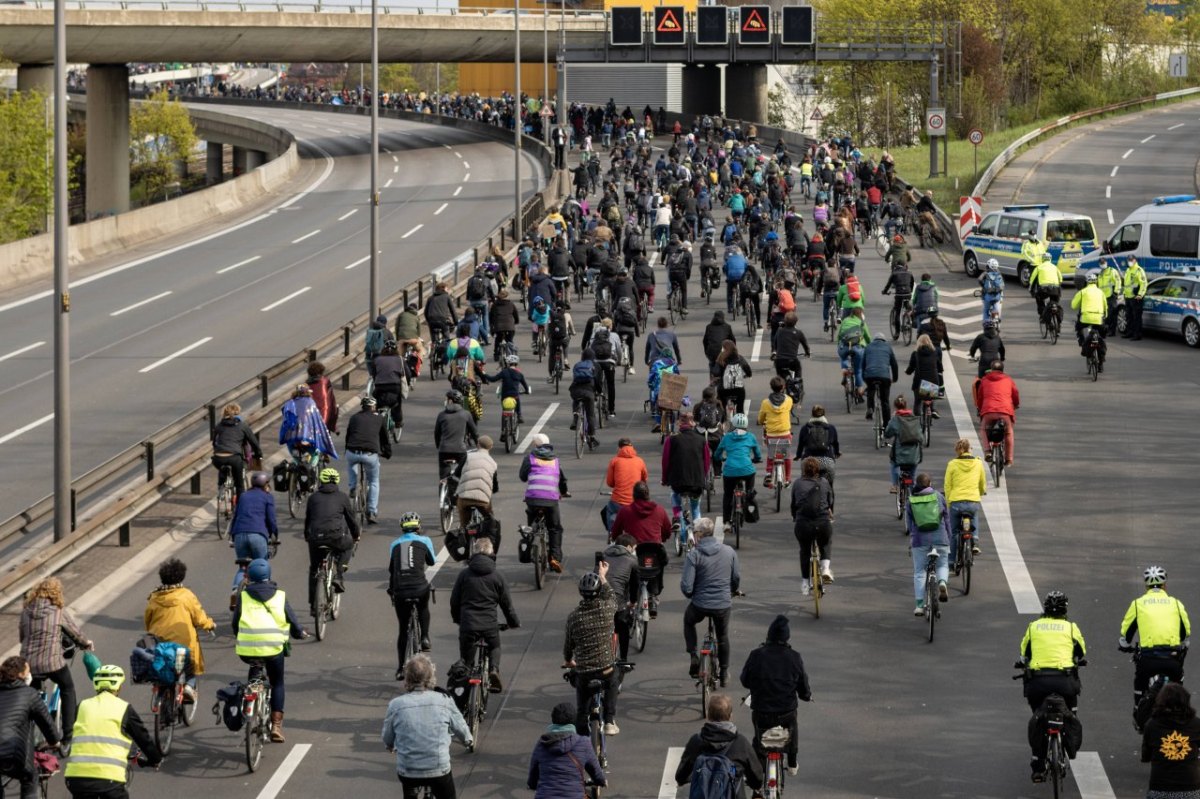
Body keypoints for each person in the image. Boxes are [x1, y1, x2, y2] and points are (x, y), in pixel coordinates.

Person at [63, 665, 161, 799]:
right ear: (119, 686)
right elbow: (143, 738)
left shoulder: (82, 706)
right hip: (109, 780)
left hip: (75, 779)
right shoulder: (124, 708)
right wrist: (155, 759)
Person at [382, 655, 472, 799]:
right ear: (430, 676)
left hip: (408, 771)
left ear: (407, 678)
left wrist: (390, 745)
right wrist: (468, 740)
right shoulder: (444, 700)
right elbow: (460, 726)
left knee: (409, 786)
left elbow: (387, 738)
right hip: (438, 770)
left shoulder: (396, 705)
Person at [1018, 591, 1086, 782]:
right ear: (1065, 610)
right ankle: (1069, 739)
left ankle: (1038, 762)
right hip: (1065, 682)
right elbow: (1081, 652)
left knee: (1038, 716)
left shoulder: (1033, 627)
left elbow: (1024, 655)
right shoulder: (1071, 627)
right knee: (1071, 712)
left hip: (1038, 682)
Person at [19, 578, 91, 751]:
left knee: (32, 696)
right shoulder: (59, 611)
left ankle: (31, 734)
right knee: (67, 688)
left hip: (29, 664)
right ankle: (67, 736)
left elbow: (22, 637)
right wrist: (85, 643)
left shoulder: (26, 611)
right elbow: (75, 633)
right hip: (53, 662)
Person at [739, 616, 811, 776]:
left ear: (768, 635)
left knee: (759, 741)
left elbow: (745, 680)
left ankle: (758, 774)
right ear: (787, 637)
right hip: (786, 713)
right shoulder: (794, 657)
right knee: (792, 731)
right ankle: (792, 763)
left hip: (762, 712)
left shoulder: (756, 655)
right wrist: (806, 696)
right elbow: (803, 685)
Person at [449, 538, 520, 694]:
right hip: (489, 625)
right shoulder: (497, 576)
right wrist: (513, 622)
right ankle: (494, 669)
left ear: (474, 552)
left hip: (468, 625)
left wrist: (458, 619)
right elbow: (506, 605)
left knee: (466, 662)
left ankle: (465, 695)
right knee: (495, 646)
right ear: (491, 553)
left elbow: (454, 601)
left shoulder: (464, 575)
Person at [143, 558, 216, 703]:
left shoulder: (154, 597)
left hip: (159, 642)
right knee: (188, 666)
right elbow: (199, 617)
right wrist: (210, 625)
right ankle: (188, 687)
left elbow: (148, 620)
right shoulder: (186, 595)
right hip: (182, 643)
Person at [1121, 566, 1191, 708]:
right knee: (1178, 684)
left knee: (1140, 682)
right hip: (1172, 658)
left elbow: (1127, 632)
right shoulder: (1176, 603)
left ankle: (1138, 709)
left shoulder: (1138, 604)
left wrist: (1125, 644)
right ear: (1165, 585)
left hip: (1148, 659)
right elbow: (1185, 631)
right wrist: (1183, 642)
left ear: (1146, 586)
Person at [681, 517, 740, 686]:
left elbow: (686, 586)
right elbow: (735, 578)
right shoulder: (729, 551)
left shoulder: (694, 555)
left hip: (700, 604)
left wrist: (692, 594)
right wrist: (732, 590)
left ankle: (693, 655)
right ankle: (724, 672)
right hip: (722, 604)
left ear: (699, 534)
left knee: (689, 620)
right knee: (722, 636)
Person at [563, 566, 622, 736]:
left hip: (584, 672)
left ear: (581, 593)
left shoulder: (574, 617)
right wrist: (603, 576)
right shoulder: (608, 608)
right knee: (613, 679)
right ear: (598, 592)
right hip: (606, 668)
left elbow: (568, 646)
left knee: (582, 709)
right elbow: (611, 594)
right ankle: (609, 720)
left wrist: (568, 660)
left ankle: (582, 730)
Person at [675, 693, 764, 799]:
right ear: (730, 716)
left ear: (708, 715)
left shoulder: (696, 741)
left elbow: (680, 776)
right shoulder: (740, 743)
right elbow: (757, 778)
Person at [0, 655, 62, 799]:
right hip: (12, 753)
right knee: (29, 776)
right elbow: (47, 725)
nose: (30, 675)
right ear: (21, 675)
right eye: (28, 672)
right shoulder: (29, 694)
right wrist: (55, 742)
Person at [303, 468, 360, 611]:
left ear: (321, 481)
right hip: (335, 537)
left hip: (315, 538)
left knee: (314, 569)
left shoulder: (313, 498)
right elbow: (351, 520)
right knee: (347, 545)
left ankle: (313, 605)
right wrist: (356, 536)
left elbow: (308, 520)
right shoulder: (342, 497)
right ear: (337, 481)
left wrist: (307, 536)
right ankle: (339, 576)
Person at [389, 513, 436, 679]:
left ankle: (401, 668)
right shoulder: (425, 541)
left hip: (401, 590)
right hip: (419, 588)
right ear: (419, 527)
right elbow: (432, 562)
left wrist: (391, 590)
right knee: (423, 607)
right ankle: (424, 637)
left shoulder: (395, 545)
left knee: (403, 628)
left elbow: (393, 570)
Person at [527, 702, 606, 799]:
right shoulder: (583, 743)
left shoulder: (542, 744)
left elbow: (532, 777)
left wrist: (532, 784)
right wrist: (601, 781)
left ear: (553, 721)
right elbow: (596, 772)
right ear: (574, 721)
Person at [227, 471, 279, 607]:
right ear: (266, 484)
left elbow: (236, 515)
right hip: (258, 534)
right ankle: (264, 598)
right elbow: (271, 519)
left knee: (243, 567)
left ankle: (235, 591)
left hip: (239, 534)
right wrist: (274, 534)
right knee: (262, 566)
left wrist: (233, 535)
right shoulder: (267, 497)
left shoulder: (243, 496)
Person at [1140, 683, 1200, 797]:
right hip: (1191, 787)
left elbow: (1146, 755)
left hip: (1160, 788)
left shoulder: (1152, 725)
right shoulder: (1196, 724)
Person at [521, 434, 569, 572]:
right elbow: (562, 480)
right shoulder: (555, 460)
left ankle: (531, 545)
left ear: (535, 446)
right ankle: (555, 557)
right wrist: (564, 492)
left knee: (531, 522)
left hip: (533, 498)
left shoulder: (529, 458)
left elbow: (522, 477)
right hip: (550, 499)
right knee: (555, 528)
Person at [661, 411, 711, 538]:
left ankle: (678, 519)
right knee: (695, 508)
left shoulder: (671, 439)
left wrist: (665, 479)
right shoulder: (701, 440)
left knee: (675, 497)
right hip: (696, 483)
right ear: (693, 423)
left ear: (679, 423)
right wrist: (703, 478)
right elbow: (706, 462)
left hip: (678, 482)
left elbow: (665, 461)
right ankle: (697, 534)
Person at [906, 472, 949, 615]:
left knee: (919, 572)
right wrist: (947, 537)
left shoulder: (911, 500)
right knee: (942, 564)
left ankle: (919, 605)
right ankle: (942, 582)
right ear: (930, 484)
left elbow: (910, 525)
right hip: (940, 538)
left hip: (920, 541)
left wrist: (911, 542)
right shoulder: (938, 496)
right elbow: (947, 519)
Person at [345, 396, 392, 524]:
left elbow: (348, 435)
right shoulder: (379, 418)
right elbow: (384, 438)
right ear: (374, 407)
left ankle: (353, 486)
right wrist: (387, 452)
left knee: (351, 464)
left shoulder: (354, 417)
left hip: (352, 451)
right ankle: (371, 511)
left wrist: (347, 450)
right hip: (370, 454)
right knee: (374, 481)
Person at [791, 457, 834, 596]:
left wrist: (794, 517)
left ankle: (805, 582)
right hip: (822, 523)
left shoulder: (797, 483)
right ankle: (825, 568)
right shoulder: (824, 482)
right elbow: (830, 501)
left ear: (803, 470)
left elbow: (793, 504)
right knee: (826, 543)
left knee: (804, 551)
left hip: (804, 524)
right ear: (817, 470)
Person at [714, 413, 762, 533]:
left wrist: (719, 458)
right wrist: (756, 459)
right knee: (750, 492)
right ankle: (748, 502)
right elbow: (758, 454)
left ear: (733, 425)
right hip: (747, 470)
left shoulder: (727, 437)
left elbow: (717, 453)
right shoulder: (751, 437)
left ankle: (726, 522)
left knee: (728, 495)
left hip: (730, 471)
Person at [943, 439, 986, 564]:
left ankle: (951, 563)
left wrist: (949, 502)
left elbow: (947, 485)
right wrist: (980, 493)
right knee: (974, 516)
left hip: (956, 501)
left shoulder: (952, 464)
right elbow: (982, 483)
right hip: (973, 501)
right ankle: (975, 541)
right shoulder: (978, 463)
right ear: (970, 449)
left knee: (954, 532)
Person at [211, 402, 262, 501]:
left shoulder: (219, 426)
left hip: (218, 458)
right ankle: (240, 506)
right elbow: (253, 442)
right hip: (234, 457)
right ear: (238, 413)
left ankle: (221, 486)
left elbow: (214, 443)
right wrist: (258, 454)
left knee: (223, 467)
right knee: (239, 484)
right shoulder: (243, 426)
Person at [279, 384, 337, 470]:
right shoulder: (310, 403)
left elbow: (285, 414)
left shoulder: (289, 403)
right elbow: (317, 420)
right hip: (307, 438)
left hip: (292, 438)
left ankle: (298, 467)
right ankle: (312, 471)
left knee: (295, 458)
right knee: (315, 453)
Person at [973, 360, 1019, 468]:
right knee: (1008, 433)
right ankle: (1008, 459)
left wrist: (980, 408)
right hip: (1005, 411)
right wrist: (1016, 404)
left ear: (991, 369)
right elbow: (1015, 394)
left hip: (989, 411)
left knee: (984, 429)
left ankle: (987, 451)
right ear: (1002, 370)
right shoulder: (1008, 380)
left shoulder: (984, 380)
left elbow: (980, 397)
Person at [602, 534, 640, 662]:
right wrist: (633, 602)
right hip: (618, 602)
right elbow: (635, 585)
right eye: (634, 548)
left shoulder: (603, 555)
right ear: (629, 547)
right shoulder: (632, 560)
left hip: (599, 601)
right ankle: (623, 659)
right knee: (623, 627)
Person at [455, 436, 499, 546]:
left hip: (464, 497)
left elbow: (457, 473)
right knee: (490, 519)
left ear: (478, 444)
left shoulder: (468, 456)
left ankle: (464, 545)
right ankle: (490, 545)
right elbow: (495, 485)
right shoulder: (493, 463)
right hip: (483, 500)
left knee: (464, 524)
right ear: (491, 447)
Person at [757, 377, 794, 489]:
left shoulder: (765, 403)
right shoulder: (788, 400)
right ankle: (787, 478)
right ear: (783, 387)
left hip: (771, 434)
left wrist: (760, 421)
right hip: (785, 433)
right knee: (787, 456)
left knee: (771, 453)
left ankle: (769, 473)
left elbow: (761, 418)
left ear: (771, 387)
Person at [604, 437, 648, 532]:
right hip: (635, 502)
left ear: (619, 448)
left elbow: (610, 483)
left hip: (618, 501)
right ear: (632, 446)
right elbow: (644, 480)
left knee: (609, 511)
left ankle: (612, 533)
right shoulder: (640, 461)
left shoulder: (614, 461)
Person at [794, 405, 840, 490]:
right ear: (824, 414)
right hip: (827, 462)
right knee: (829, 486)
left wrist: (798, 455)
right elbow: (835, 443)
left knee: (805, 485)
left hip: (809, 462)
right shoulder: (831, 428)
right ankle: (829, 499)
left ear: (812, 414)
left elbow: (800, 445)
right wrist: (837, 453)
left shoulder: (805, 428)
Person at [434, 390, 477, 480]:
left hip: (444, 450)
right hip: (460, 450)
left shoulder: (441, 415)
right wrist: (478, 445)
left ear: (450, 401)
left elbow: (436, 433)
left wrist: (439, 446)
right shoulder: (466, 414)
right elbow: (474, 432)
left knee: (443, 475)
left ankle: (443, 485)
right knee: (462, 475)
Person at [884, 396, 923, 494]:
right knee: (912, 477)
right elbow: (921, 438)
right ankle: (912, 492)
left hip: (899, 456)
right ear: (906, 406)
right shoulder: (915, 419)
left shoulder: (896, 419)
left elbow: (887, 433)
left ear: (895, 407)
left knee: (893, 464)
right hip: (914, 456)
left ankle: (895, 485)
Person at [1071, 273, 1108, 369]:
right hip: (1098, 319)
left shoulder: (1083, 292)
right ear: (1096, 282)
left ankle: (1082, 342)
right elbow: (1105, 307)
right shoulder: (1101, 292)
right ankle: (1100, 364)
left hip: (1086, 318)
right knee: (1101, 337)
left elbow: (1073, 306)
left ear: (1087, 282)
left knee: (1078, 328)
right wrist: (1105, 316)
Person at [371, 342, 410, 432]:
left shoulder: (377, 359)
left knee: (377, 402)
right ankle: (398, 422)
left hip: (379, 387)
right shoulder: (399, 359)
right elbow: (407, 374)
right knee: (397, 403)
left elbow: (374, 374)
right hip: (394, 386)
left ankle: (376, 418)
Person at [568, 348, 601, 450]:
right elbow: (597, 381)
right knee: (590, 415)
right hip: (588, 392)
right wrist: (599, 392)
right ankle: (591, 436)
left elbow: (575, 378)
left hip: (576, 391)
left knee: (576, 400)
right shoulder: (596, 365)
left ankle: (575, 417)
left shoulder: (577, 365)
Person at [587, 321, 621, 418]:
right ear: (611, 326)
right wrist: (619, 361)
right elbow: (618, 350)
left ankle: (595, 399)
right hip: (609, 362)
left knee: (594, 380)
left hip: (596, 362)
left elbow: (590, 347)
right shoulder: (614, 335)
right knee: (611, 384)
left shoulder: (595, 333)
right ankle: (611, 410)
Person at [863, 335, 899, 423]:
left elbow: (863, 365)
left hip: (870, 375)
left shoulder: (868, 347)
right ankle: (886, 425)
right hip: (884, 377)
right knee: (885, 400)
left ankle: (870, 408)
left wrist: (864, 379)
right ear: (884, 340)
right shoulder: (888, 347)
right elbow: (894, 365)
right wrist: (895, 378)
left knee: (871, 389)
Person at [836, 307, 871, 398]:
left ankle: (845, 369)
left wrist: (839, 345)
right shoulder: (862, 323)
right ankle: (859, 389)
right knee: (858, 369)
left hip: (845, 346)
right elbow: (868, 338)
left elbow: (839, 335)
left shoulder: (845, 320)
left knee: (843, 357)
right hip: (857, 347)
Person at [906, 333, 943, 409]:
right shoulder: (934, 353)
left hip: (920, 382)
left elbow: (911, 367)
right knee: (930, 397)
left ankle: (917, 413)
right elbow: (940, 367)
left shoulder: (915, 353)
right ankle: (931, 409)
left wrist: (907, 372)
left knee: (917, 401)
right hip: (933, 381)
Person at [716, 341, 752, 415]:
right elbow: (747, 369)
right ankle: (740, 416)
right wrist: (748, 375)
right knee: (740, 405)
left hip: (723, 389)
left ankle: (723, 419)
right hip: (738, 390)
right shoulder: (740, 358)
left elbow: (715, 372)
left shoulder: (720, 360)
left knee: (721, 404)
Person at [305, 360, 339, 434]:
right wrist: (333, 425)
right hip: (324, 416)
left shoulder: (306, 385)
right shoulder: (325, 382)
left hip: (310, 419)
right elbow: (332, 402)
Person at [1028, 254, 1063, 324]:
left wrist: (1031, 290)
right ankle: (1058, 324)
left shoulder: (1039, 267)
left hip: (1043, 289)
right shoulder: (1055, 267)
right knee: (1055, 304)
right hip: (1055, 289)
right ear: (1050, 259)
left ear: (1042, 259)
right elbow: (1061, 279)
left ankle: (1043, 316)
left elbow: (1032, 281)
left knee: (1039, 299)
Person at [1122, 255, 1148, 340]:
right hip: (1128, 297)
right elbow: (1126, 284)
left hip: (1136, 298)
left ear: (1135, 260)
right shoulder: (1128, 270)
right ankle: (1130, 332)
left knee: (1136, 317)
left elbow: (1143, 284)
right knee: (1129, 316)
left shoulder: (1139, 270)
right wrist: (1125, 294)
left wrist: (1140, 295)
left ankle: (1137, 334)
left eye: (1131, 260)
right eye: (1128, 260)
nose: (1129, 261)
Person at [365, 313, 397, 378]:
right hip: (382, 356)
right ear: (385, 323)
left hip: (370, 356)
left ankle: (372, 379)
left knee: (372, 373)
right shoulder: (387, 331)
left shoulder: (371, 331)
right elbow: (392, 343)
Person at [703, 311, 735, 376]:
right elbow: (733, 341)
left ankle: (712, 380)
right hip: (723, 352)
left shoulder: (709, 327)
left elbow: (705, 341)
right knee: (726, 364)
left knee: (712, 363)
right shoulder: (727, 327)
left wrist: (706, 352)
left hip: (712, 352)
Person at [979, 258, 1005, 326]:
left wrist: (983, 286)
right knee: (996, 309)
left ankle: (986, 322)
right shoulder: (999, 275)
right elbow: (1002, 286)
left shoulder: (986, 274)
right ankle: (996, 321)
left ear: (989, 266)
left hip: (987, 298)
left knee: (986, 310)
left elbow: (979, 280)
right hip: (997, 297)